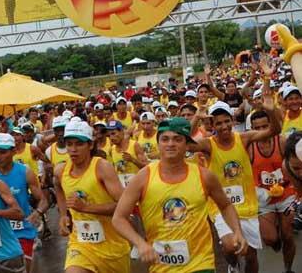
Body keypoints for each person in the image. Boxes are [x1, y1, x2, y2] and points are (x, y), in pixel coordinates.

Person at [112, 117, 247, 272]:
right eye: (165, 139)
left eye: (177, 139)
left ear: (187, 145)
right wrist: (140, 243)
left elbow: (226, 205)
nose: (170, 144)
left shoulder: (204, 176)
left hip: (201, 263)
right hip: (162, 265)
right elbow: (118, 218)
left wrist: (237, 231)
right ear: (158, 143)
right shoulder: (143, 177)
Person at [190, 97, 280, 273]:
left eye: (226, 121)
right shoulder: (208, 144)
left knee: (251, 255)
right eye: (218, 123)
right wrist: (196, 119)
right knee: (230, 246)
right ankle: (232, 264)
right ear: (212, 125)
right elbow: (186, 144)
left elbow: (274, 130)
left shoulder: (244, 138)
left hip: (247, 206)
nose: (223, 126)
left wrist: (270, 110)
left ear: (232, 120)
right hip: (221, 207)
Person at [54, 120, 131, 273]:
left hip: (112, 247)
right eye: (69, 144)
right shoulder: (61, 170)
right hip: (81, 245)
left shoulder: (102, 168)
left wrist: (86, 208)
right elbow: (58, 187)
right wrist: (63, 215)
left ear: (90, 145)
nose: (73, 150)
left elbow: (124, 207)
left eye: (79, 144)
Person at [0, 133, 49, 272]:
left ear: (14, 151)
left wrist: (37, 213)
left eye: (3, 152)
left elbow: (43, 200)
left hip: (22, 230)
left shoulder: (25, 172)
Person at [249, 110, 297, 273]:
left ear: (271, 125)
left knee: (288, 236)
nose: (263, 130)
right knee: (270, 239)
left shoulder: (282, 141)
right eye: (258, 128)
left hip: (287, 194)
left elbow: (295, 165)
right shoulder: (249, 147)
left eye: (265, 126)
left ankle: (288, 269)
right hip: (264, 198)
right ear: (252, 129)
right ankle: (276, 241)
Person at [107, 120, 147, 187]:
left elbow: (146, 167)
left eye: (113, 133)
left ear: (122, 131)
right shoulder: (111, 150)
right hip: (122, 188)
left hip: (137, 186)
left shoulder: (134, 145)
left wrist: (133, 160)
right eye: (108, 135)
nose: (111, 138)